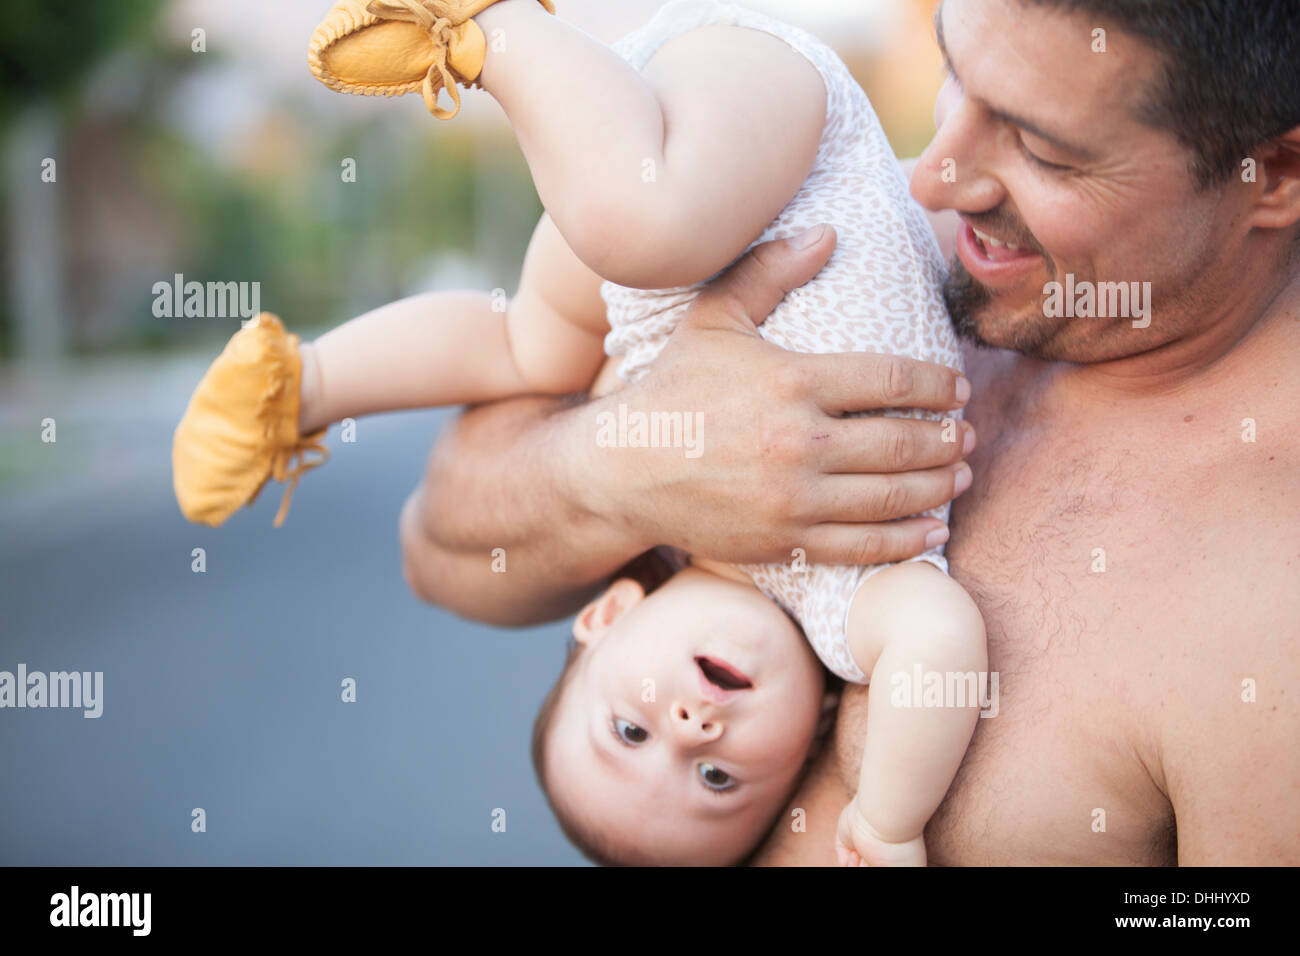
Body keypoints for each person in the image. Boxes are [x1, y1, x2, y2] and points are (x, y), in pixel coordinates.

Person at [399, 0, 1300, 865]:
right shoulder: (840, 230)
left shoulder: (1268, 615)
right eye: (956, 74)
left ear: (1277, 175)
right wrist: (617, 466)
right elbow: (434, 549)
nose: (934, 176)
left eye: (1042, 150)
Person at [171, 0, 984, 864]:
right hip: (788, 139)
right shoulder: (847, 604)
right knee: (618, 250)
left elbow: (437, 542)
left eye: (628, 730)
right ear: (813, 738)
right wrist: (887, 823)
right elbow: (939, 642)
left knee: (525, 344)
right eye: (716, 781)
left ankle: (302, 386)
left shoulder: (661, 515)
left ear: (608, 615)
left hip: (667, 182)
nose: (688, 730)